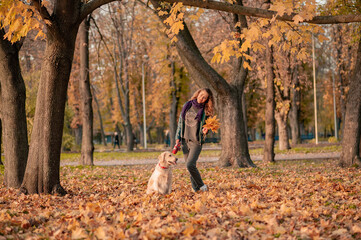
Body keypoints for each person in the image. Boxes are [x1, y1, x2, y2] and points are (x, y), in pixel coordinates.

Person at [175, 88, 214, 192]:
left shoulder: (206, 111)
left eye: (204, 97)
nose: (202, 98)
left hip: (196, 141)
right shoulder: (187, 105)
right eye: (201, 95)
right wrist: (177, 137)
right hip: (184, 140)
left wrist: (206, 131)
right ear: (198, 94)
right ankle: (195, 189)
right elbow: (180, 122)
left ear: (207, 100)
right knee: (190, 167)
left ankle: (202, 186)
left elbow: (208, 126)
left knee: (190, 164)